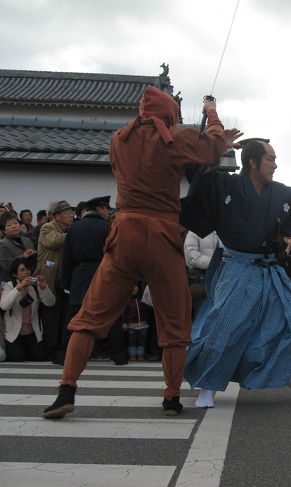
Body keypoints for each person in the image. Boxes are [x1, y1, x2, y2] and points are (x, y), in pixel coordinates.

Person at [42, 87, 239, 419]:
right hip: (162, 235)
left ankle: (66, 389)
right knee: (175, 321)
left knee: (90, 317)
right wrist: (213, 115)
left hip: (125, 234)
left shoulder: (119, 139)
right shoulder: (174, 138)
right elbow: (213, 147)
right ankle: (171, 397)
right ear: (167, 114)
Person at [180, 138, 291, 409]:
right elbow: (198, 174)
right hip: (237, 266)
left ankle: (285, 372)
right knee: (226, 328)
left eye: (275, 159)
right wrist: (216, 144)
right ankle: (208, 385)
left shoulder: (282, 192)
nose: (275, 165)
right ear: (252, 162)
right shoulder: (226, 185)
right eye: (270, 159)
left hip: (269, 269)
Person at [58, 196, 127, 366]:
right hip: (104, 273)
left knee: (75, 315)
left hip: (79, 274)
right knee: (112, 314)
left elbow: (66, 258)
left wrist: (66, 283)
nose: (107, 212)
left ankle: (65, 354)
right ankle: (118, 355)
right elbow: (117, 254)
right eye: (105, 209)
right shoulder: (109, 226)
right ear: (99, 209)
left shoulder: (74, 228)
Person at [35, 200, 74, 361]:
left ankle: (61, 349)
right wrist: (75, 233)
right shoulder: (48, 227)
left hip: (63, 279)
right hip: (49, 280)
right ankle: (51, 350)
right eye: (67, 213)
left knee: (64, 316)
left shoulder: (69, 229)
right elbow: (54, 241)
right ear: (56, 216)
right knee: (51, 316)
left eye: (71, 212)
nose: (71, 215)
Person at [1, 256, 55, 361]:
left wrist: (44, 287)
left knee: (39, 356)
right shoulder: (9, 286)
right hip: (14, 332)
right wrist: (19, 288)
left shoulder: (34, 286)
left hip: (31, 331)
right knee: (17, 357)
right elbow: (4, 305)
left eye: (28, 269)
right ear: (15, 274)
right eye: (22, 270)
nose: (26, 272)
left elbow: (50, 303)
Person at [184, 230, 222, 316]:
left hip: (218, 280)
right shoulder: (193, 233)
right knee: (201, 312)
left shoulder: (222, 231)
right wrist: (215, 263)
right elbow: (192, 258)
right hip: (201, 280)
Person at [0, 212, 36, 283]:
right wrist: (23, 257)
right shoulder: (2, 244)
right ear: (4, 230)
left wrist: (33, 255)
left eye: (15, 223)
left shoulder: (27, 240)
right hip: (12, 283)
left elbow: (34, 263)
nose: (13, 226)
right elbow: (7, 267)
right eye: (9, 225)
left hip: (29, 280)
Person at [122, 284, 148, 361]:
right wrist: (124, 323)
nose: (134, 288)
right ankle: (132, 354)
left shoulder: (143, 299)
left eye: (135, 286)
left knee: (141, 341)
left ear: (139, 288)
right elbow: (124, 313)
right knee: (132, 342)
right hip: (131, 325)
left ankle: (140, 354)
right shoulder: (127, 300)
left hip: (143, 325)